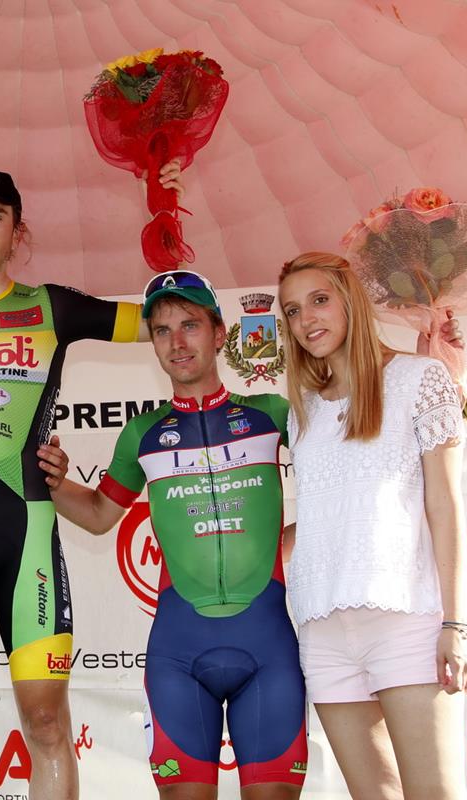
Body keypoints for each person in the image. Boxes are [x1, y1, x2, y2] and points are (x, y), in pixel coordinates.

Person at [0, 166, 180, 799]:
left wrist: (168, 218)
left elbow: (162, 319)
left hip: (26, 533)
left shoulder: (53, 307)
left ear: (17, 232)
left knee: (46, 722)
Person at [42, 270, 308, 799]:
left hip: (269, 648)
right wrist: (49, 480)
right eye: (162, 330)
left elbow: (346, 482)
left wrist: (294, 539)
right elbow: (98, 514)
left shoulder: (272, 415)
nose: (177, 342)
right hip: (179, 654)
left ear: (219, 332)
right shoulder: (142, 433)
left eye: (190, 325)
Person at [277, 252, 467, 800]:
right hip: (322, 631)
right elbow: (326, 515)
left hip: (405, 621)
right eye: (292, 310)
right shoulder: (303, 410)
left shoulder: (419, 378)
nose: (306, 319)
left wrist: (455, 625)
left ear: (350, 301)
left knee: (435, 793)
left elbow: (446, 505)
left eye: (319, 300)